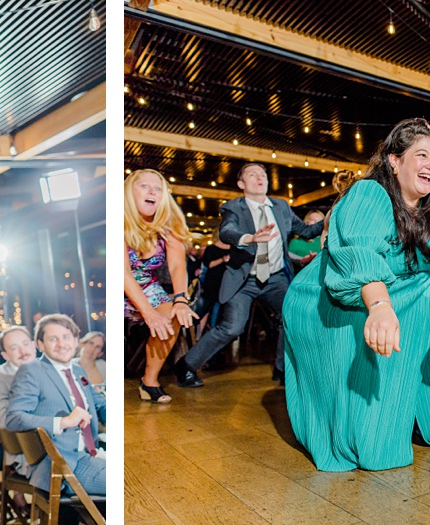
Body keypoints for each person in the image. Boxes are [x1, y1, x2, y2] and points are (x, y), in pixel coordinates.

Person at [281, 113, 430, 472]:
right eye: (421, 155)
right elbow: (361, 254)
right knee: (373, 372)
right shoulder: (370, 193)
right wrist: (381, 307)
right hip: (347, 296)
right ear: (394, 160)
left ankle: (422, 422)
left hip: (416, 300)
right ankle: (369, 429)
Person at [177, 163, 325, 387]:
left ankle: (282, 369)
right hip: (244, 279)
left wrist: (334, 214)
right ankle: (186, 365)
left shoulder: (281, 206)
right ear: (241, 184)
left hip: (275, 278)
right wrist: (251, 238)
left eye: (263, 174)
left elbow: (306, 231)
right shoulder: (233, 207)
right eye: (252, 174)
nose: (260, 177)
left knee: (293, 317)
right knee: (233, 327)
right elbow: (227, 232)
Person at [2, 314, 104, 496]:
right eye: (52, 339)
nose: (61, 344)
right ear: (40, 345)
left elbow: (100, 404)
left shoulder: (78, 370)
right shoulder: (32, 371)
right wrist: (63, 422)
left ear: (75, 341)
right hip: (64, 463)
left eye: (66, 337)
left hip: (92, 453)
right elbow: (13, 418)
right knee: (128, 480)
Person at [125, 169, 195, 403]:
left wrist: (181, 300)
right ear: (129, 192)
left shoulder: (168, 225)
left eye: (157, 188)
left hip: (148, 285)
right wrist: (147, 313)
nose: (152, 191)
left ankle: (149, 382)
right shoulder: (119, 221)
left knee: (172, 315)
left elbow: (177, 267)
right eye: (144, 186)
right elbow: (122, 274)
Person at [0, 326, 38, 427]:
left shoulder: (50, 368)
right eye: (14, 348)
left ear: (34, 345)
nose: (23, 352)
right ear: (5, 356)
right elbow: (3, 421)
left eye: (26, 344)